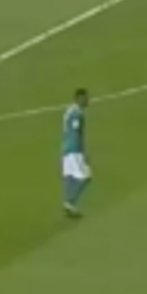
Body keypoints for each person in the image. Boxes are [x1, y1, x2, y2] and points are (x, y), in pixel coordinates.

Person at [61, 88, 93, 218]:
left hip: (66, 149)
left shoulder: (69, 111)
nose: (88, 100)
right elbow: (75, 133)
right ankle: (70, 203)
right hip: (74, 150)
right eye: (85, 98)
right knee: (86, 176)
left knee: (70, 177)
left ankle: (69, 203)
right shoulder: (77, 114)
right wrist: (82, 152)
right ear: (79, 99)